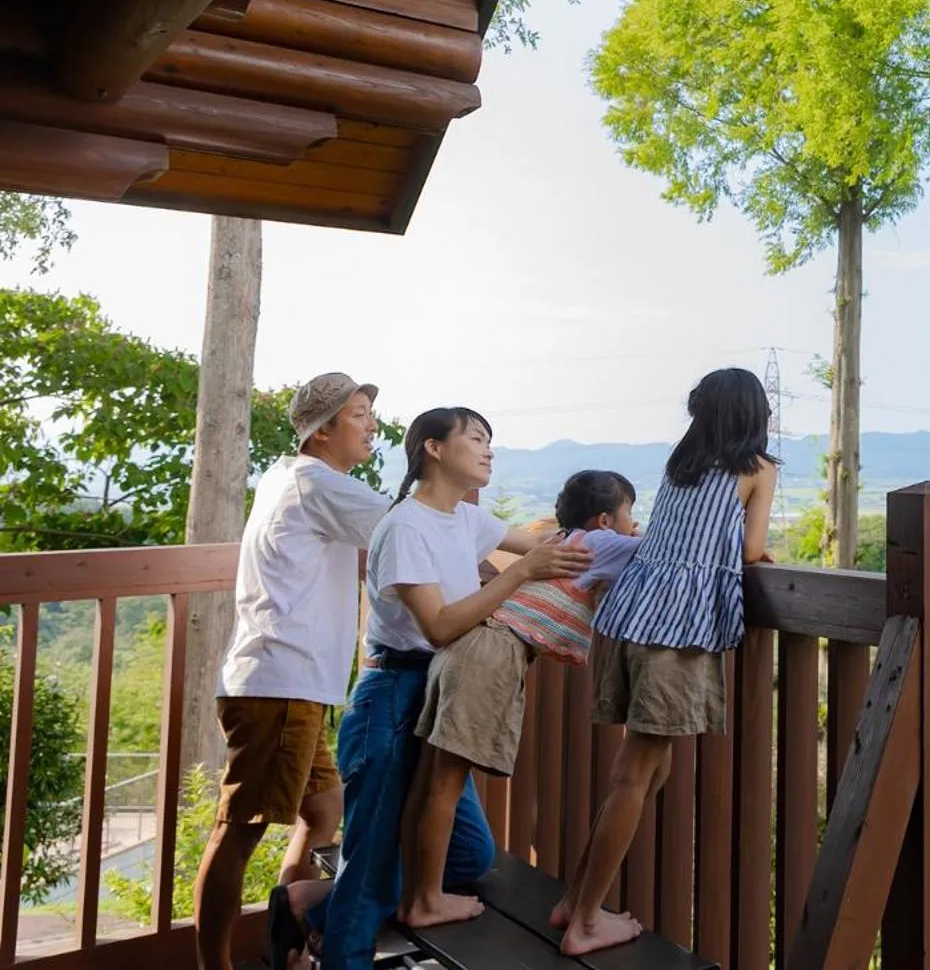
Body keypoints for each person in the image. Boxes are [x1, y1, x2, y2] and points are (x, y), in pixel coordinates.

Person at [302, 406, 592, 970]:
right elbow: (437, 625)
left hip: (440, 690)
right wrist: (516, 575)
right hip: (393, 694)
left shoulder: (463, 518)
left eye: (491, 441)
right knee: (369, 866)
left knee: (469, 853)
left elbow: (544, 544)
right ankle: (343, 945)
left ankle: (311, 909)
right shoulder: (405, 526)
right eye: (477, 438)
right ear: (434, 449)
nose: (489, 450)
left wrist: (625, 541)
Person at [554, 368, 778, 955]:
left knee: (651, 770)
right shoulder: (756, 470)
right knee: (636, 774)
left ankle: (572, 901)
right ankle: (583, 922)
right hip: (679, 629)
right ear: (755, 414)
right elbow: (752, 549)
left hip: (634, 615)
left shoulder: (682, 465)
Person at [194, 373, 388, 970]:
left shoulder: (287, 475)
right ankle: (215, 965)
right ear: (323, 430)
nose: (372, 426)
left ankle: (288, 948)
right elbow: (416, 530)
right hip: (281, 686)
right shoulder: (314, 482)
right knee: (241, 829)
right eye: (359, 415)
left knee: (324, 811)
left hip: (286, 685)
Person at [398, 470, 642, 928]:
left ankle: (416, 894)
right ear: (606, 519)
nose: (634, 523)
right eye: (631, 513)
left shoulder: (560, 539)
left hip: (468, 646)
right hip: (493, 654)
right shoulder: (602, 543)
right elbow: (666, 553)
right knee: (444, 788)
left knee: (430, 784)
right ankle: (425, 901)